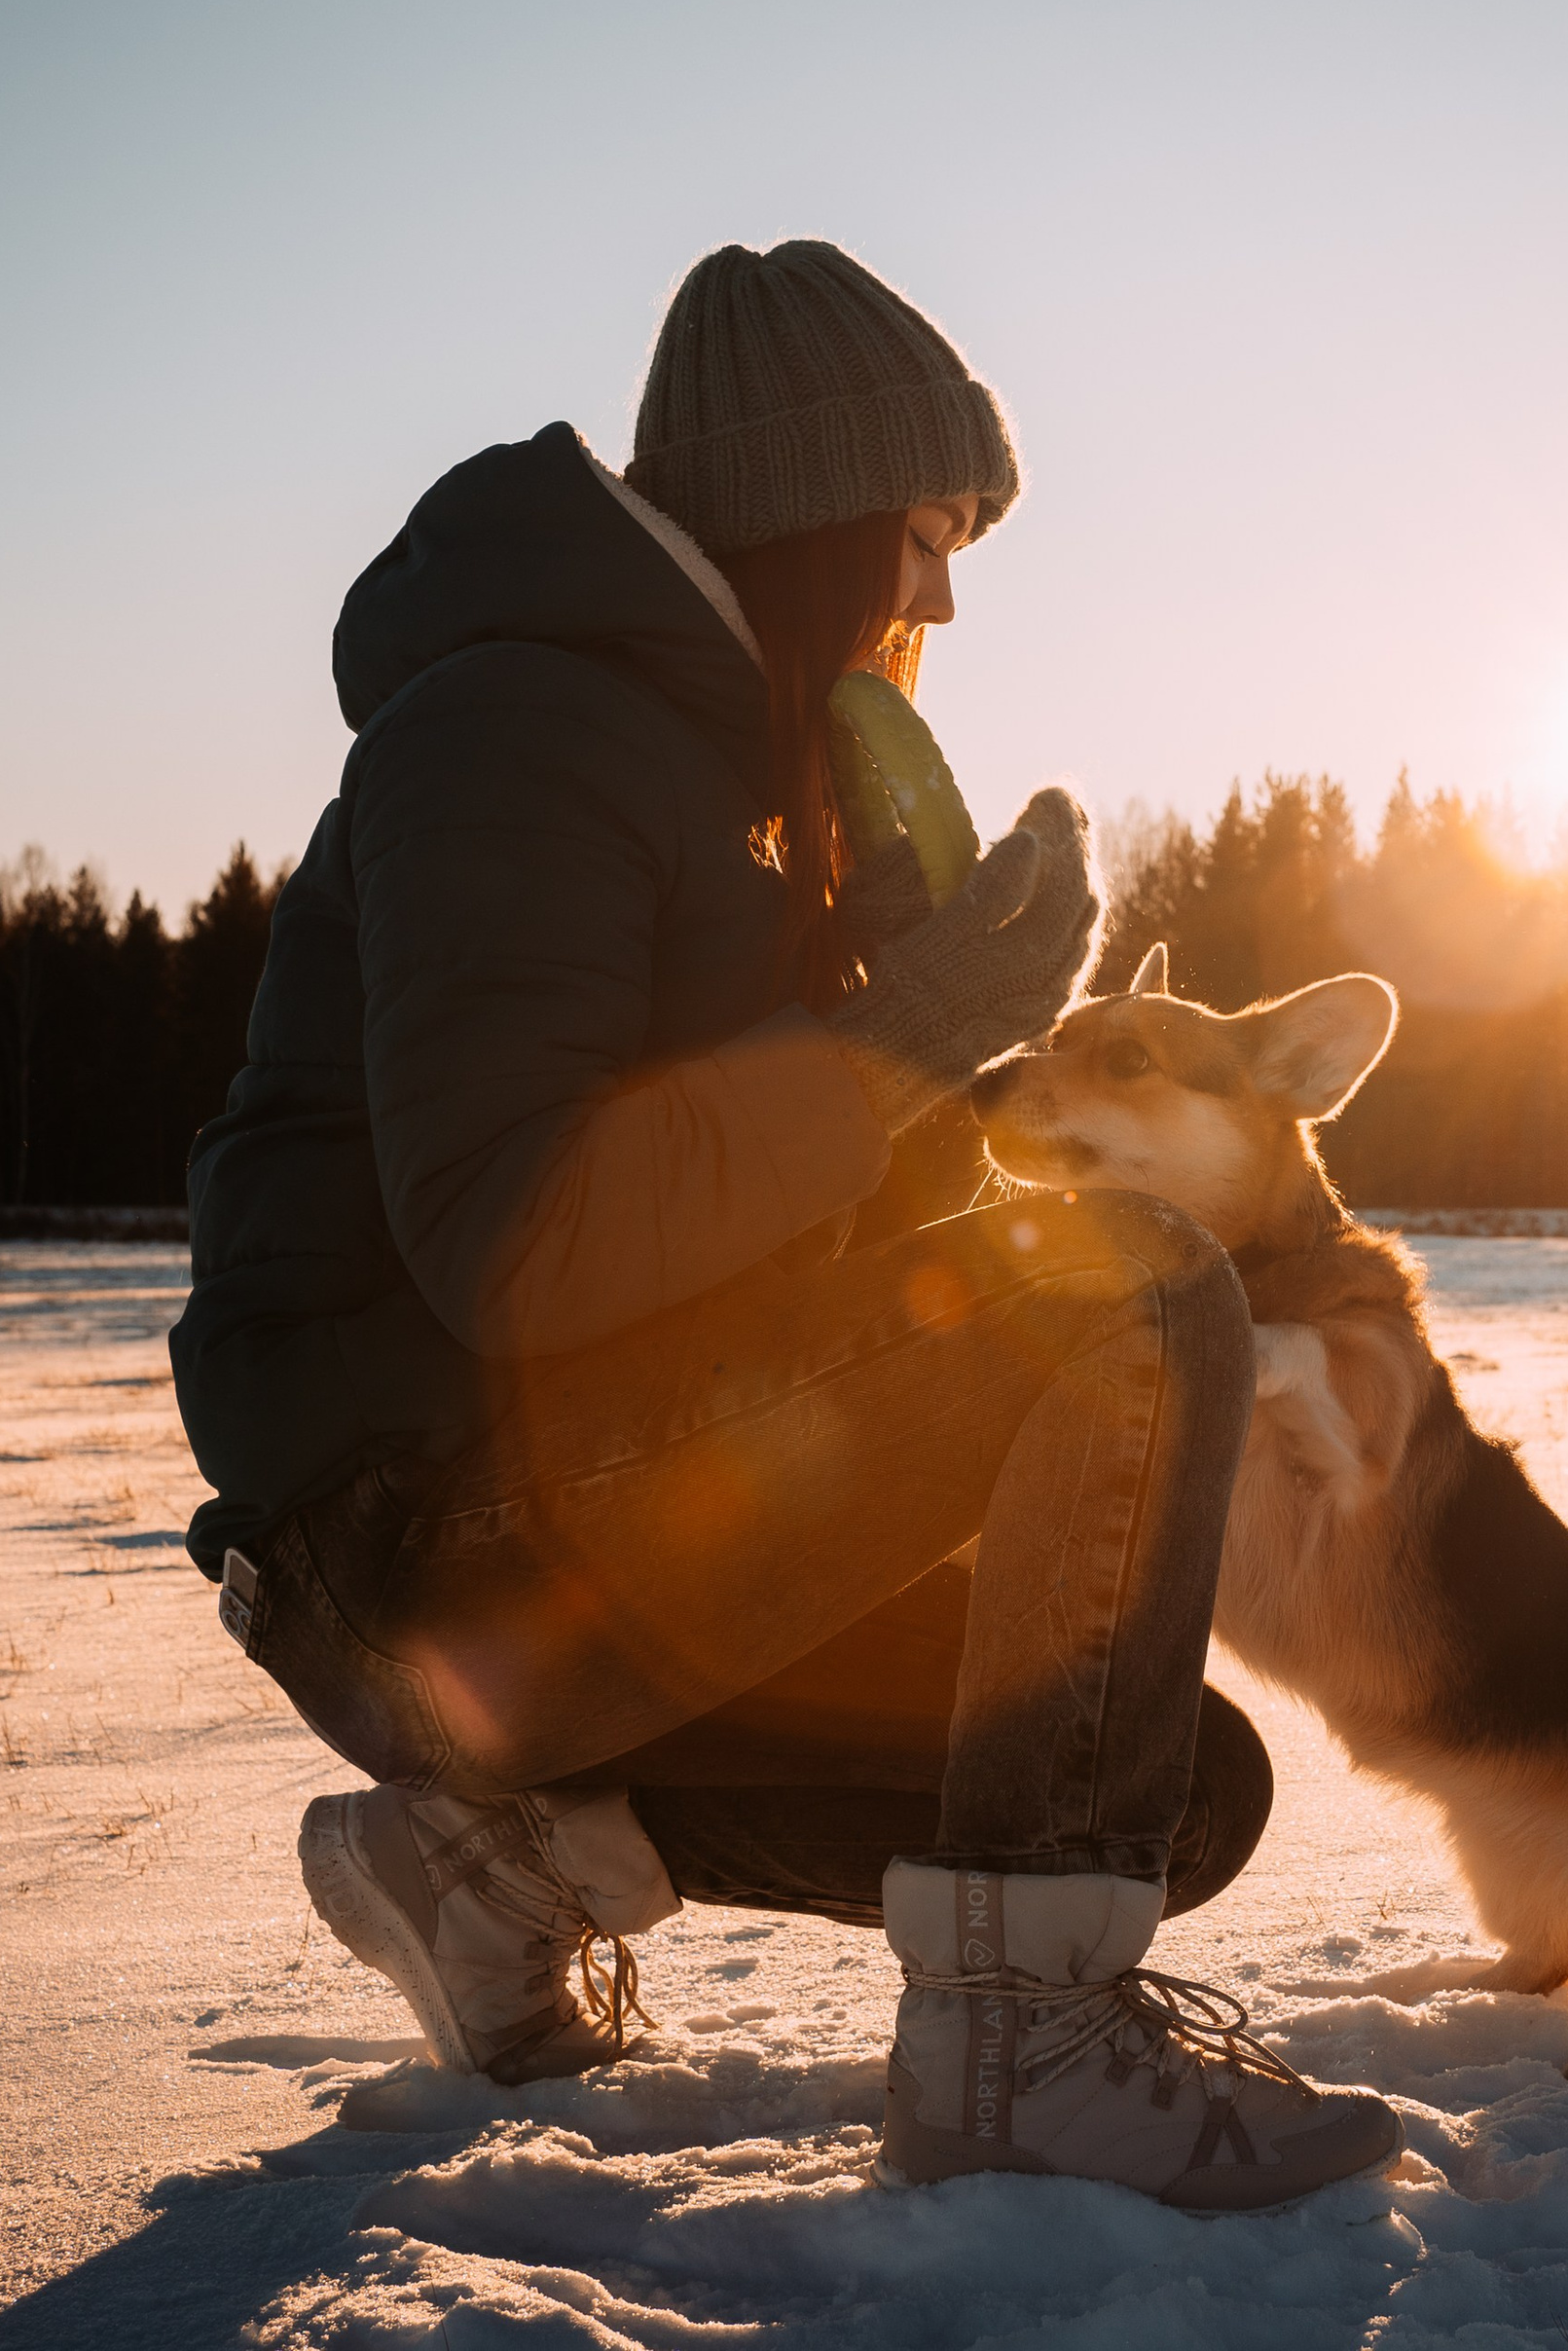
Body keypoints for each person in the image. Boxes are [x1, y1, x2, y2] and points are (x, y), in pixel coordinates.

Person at [169, 239, 1401, 2211]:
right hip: (404, 1535)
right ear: (806, 504)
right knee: (1131, 1286)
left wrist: (917, 1069)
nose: (939, 593)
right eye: (921, 533)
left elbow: (777, 1273)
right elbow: (522, 1238)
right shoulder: (514, 729)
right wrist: (906, 1040)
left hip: (577, 1504)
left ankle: (494, 1869)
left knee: (1159, 1774)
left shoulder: (740, 785)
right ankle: (1016, 2048)